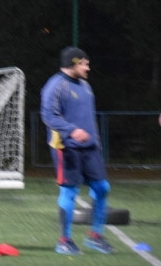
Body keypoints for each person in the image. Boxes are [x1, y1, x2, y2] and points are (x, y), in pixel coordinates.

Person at [40, 46, 114, 255]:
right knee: (69, 191)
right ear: (74, 63)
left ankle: (95, 236)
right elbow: (49, 116)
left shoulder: (85, 86)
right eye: (85, 63)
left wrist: (95, 140)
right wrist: (72, 131)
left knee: (102, 188)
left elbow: (87, 117)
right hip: (67, 148)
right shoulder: (55, 86)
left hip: (90, 148)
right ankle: (64, 240)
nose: (88, 68)